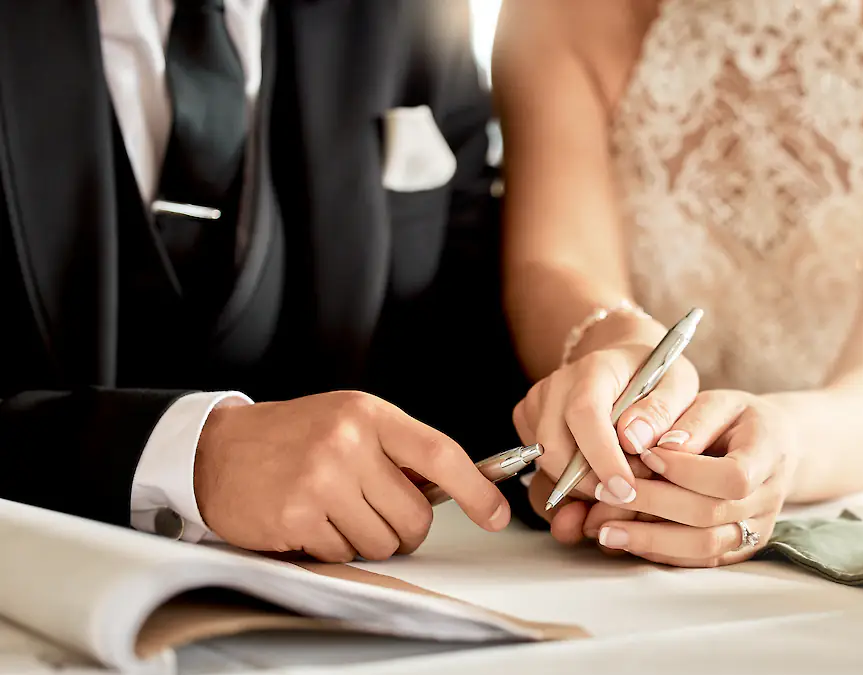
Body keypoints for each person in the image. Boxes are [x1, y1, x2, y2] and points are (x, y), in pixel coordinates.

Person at [494, 0, 863, 567]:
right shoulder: (559, 12)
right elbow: (556, 266)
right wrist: (611, 350)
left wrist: (780, 444)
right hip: (622, 490)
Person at [0, 0, 528, 562]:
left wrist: (574, 427)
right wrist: (193, 459)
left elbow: (469, 354)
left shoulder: (410, 15)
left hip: (346, 593)